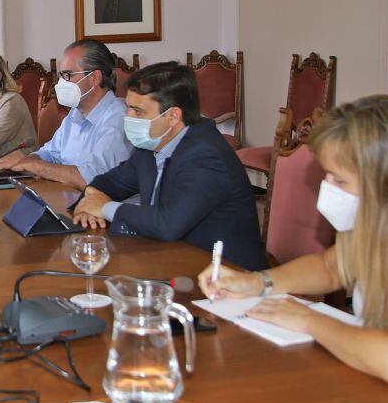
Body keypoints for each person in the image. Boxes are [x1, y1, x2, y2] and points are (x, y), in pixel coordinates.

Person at [200, 96, 388, 386]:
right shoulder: (381, 226)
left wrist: (307, 319)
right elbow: (330, 268)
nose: (328, 190)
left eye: (340, 181)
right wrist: (257, 283)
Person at [73, 61, 265, 271]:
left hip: (226, 278)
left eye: (138, 111)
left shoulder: (206, 156)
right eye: (128, 107)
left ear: (172, 116)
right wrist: (90, 203)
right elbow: (111, 181)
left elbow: (167, 224)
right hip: (169, 261)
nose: (127, 117)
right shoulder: (151, 144)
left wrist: (104, 207)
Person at [0, 39, 131, 188]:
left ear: (94, 77)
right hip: (66, 199)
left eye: (67, 75)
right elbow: (51, 154)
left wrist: (34, 166)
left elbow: (94, 179)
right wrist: (25, 160)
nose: (60, 83)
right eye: (61, 76)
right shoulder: (75, 114)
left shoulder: (119, 118)